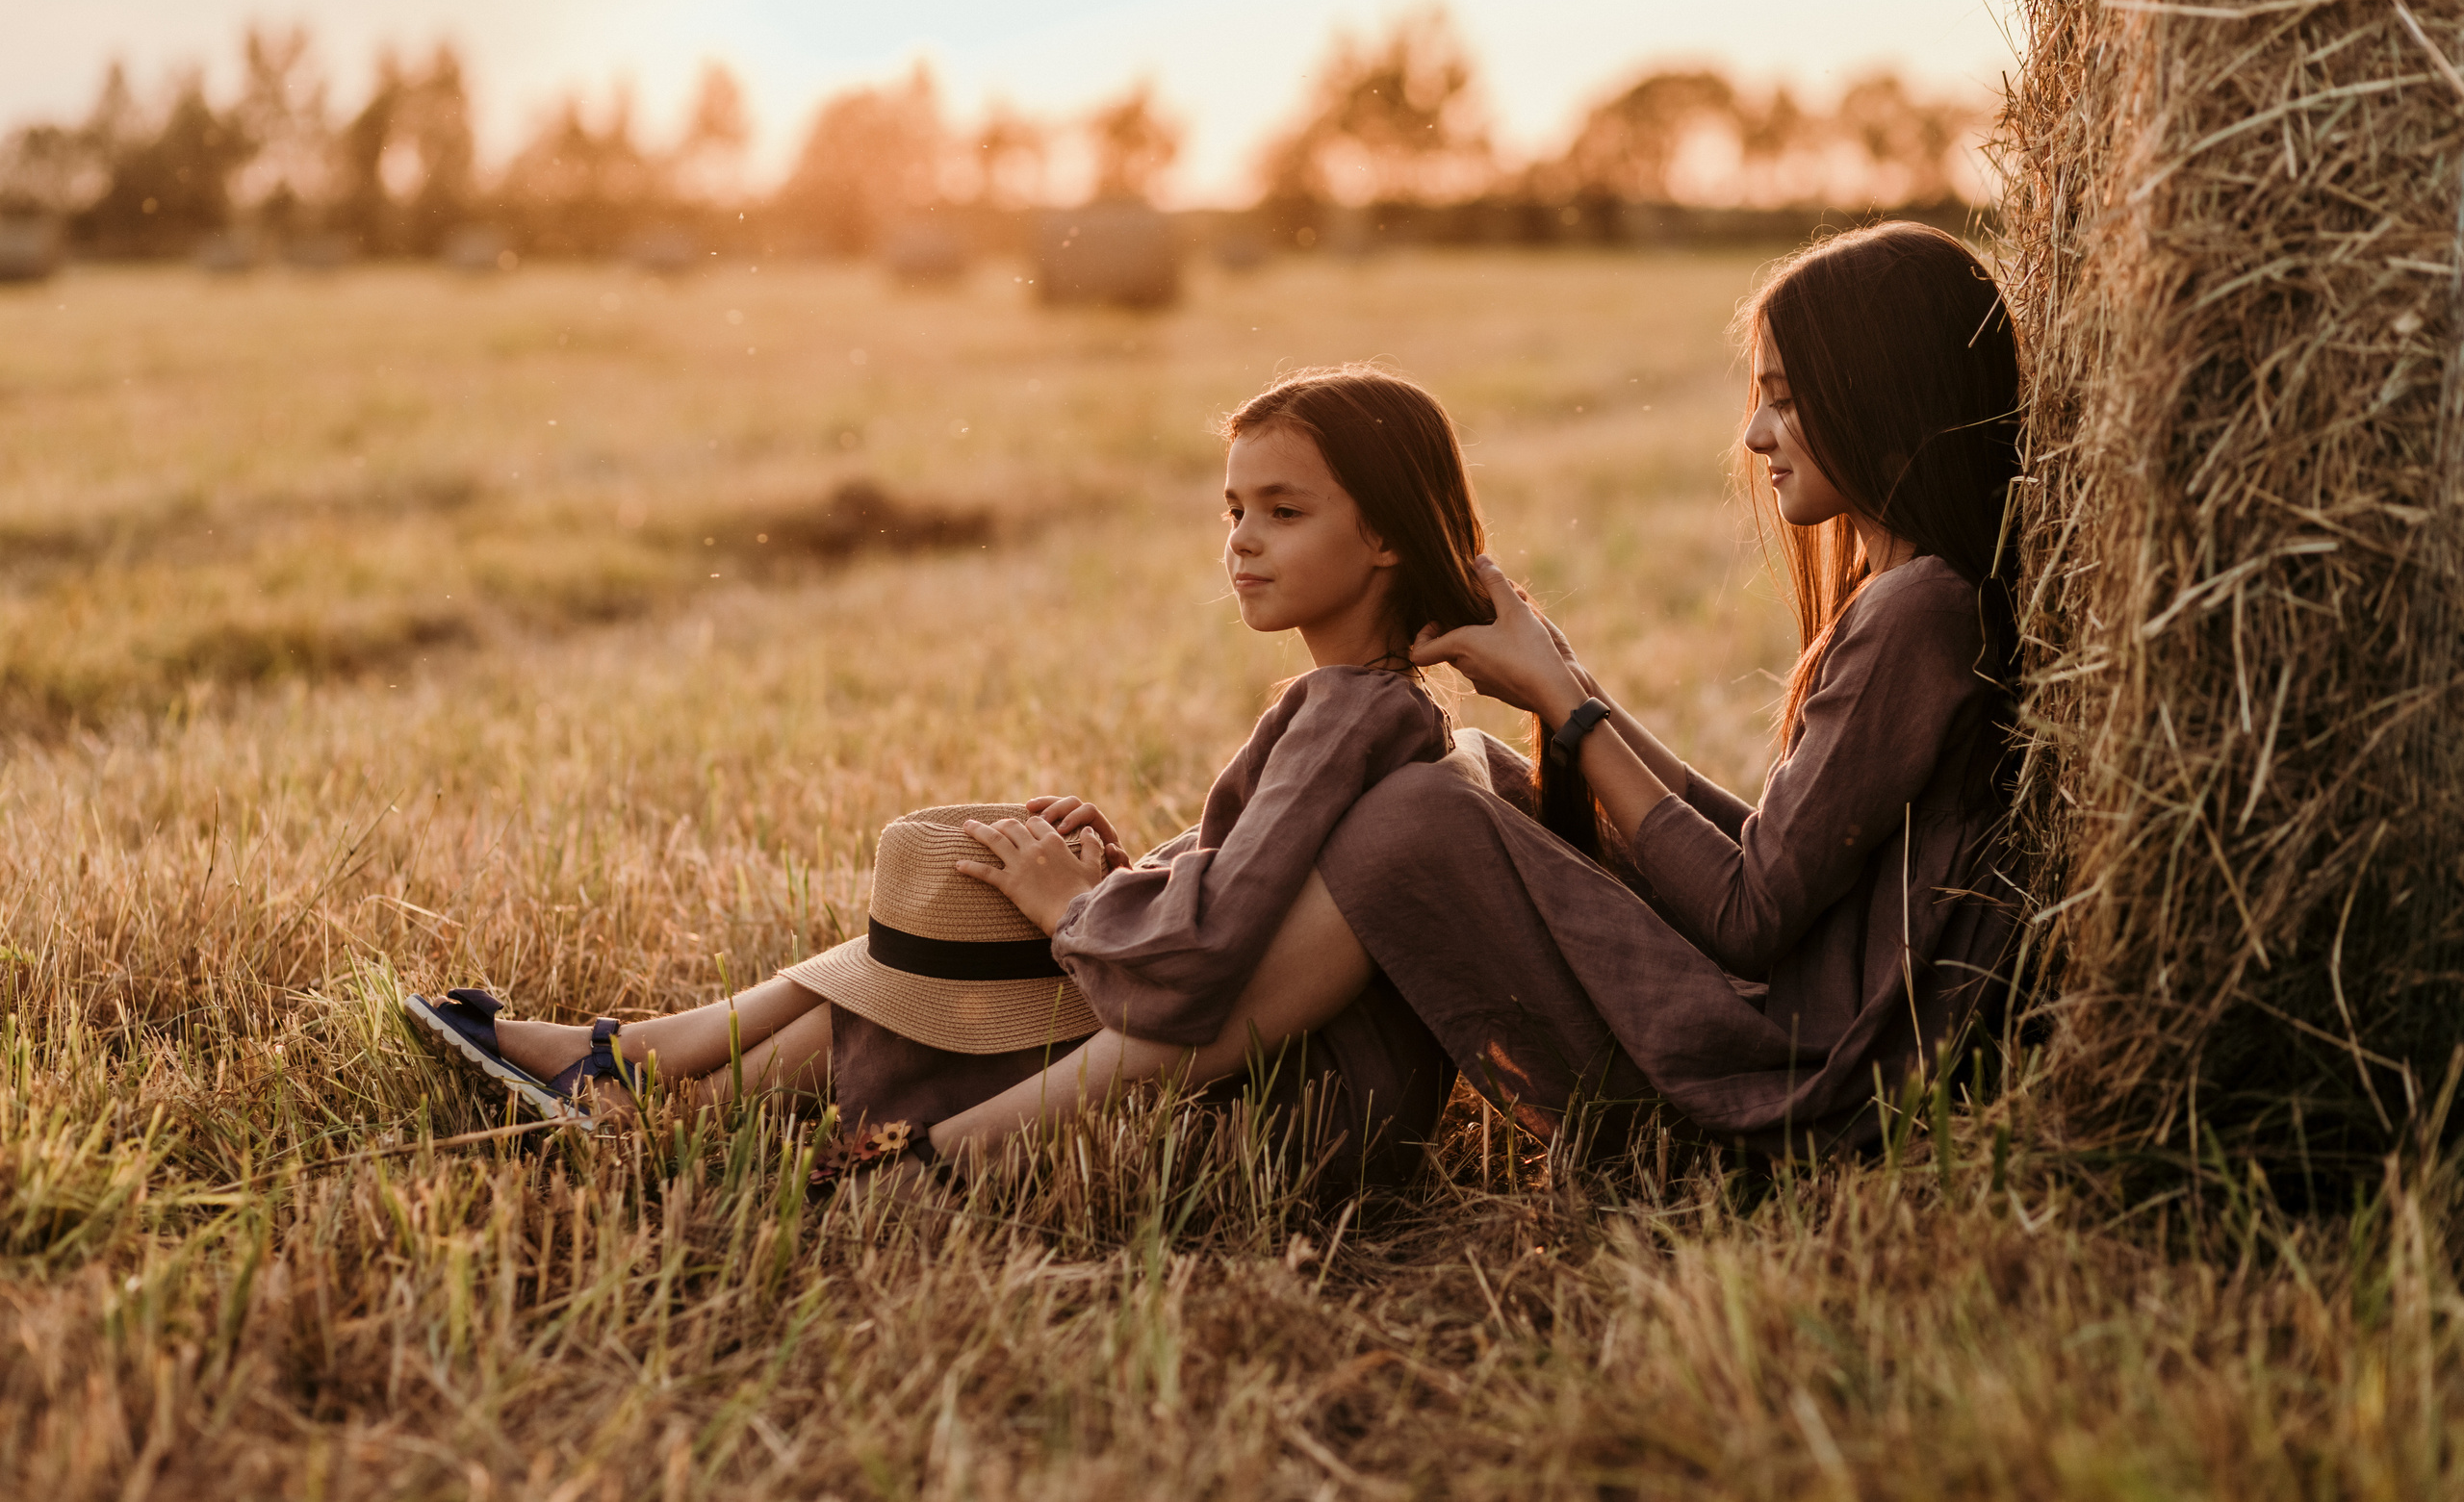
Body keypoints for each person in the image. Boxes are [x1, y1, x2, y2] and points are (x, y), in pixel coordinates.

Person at [926, 219, 2025, 1170]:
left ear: (1878, 391)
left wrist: (1566, 704)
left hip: (1791, 1088)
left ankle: (988, 1133)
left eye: (1786, 400)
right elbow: (1773, 854)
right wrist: (1566, 686)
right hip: (1791, 1043)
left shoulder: (1916, 611)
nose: (1754, 435)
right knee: (1474, 776)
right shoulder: (1907, 598)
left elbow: (1749, 913)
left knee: (1414, 819)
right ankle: (1103, 1014)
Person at [405, 364, 1505, 1184]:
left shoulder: (1349, 714)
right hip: (1272, 1069)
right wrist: (1121, 872)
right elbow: (1249, 899)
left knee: (942, 965)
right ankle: (631, 1068)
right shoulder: (1359, 708)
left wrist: (1071, 902)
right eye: (1233, 511)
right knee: (947, 923)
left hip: (1273, 1110)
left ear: (1387, 539)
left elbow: (1207, 961)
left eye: (1284, 510)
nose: (1242, 541)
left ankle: (626, 1076)